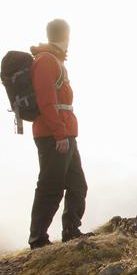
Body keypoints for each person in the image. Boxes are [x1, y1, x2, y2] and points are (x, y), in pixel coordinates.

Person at [27, 19, 90, 249]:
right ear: (66, 37)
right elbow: (46, 101)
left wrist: (65, 133)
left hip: (65, 133)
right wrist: (60, 133)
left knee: (77, 185)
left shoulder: (54, 60)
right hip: (53, 135)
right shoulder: (46, 61)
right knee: (51, 186)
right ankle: (38, 239)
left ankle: (71, 231)